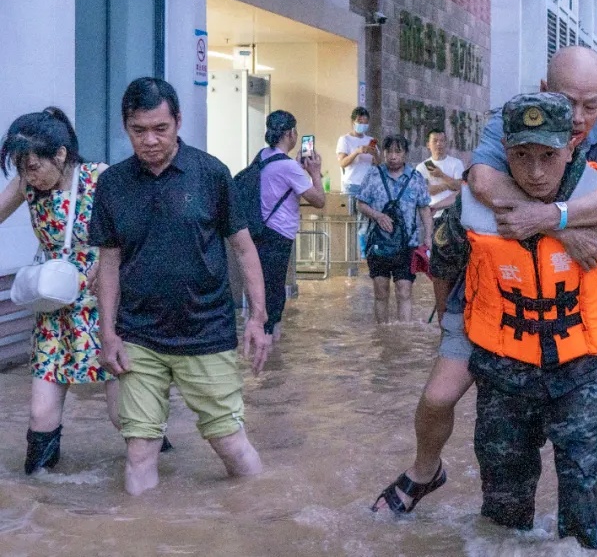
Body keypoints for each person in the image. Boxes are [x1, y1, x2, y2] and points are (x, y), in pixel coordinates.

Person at [372, 46, 597, 540]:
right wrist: (549, 227)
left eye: (590, 106)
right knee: (438, 397)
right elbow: (481, 182)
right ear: (544, 91)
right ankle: (426, 470)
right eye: (568, 102)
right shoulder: (507, 120)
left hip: (586, 283)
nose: (578, 118)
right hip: (496, 288)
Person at [457, 93, 597, 548]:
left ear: (571, 145)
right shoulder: (472, 204)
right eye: (522, 156)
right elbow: (444, 267)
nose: (535, 171)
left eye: (548, 156)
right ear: (504, 148)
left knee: (585, 511)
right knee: (502, 518)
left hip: (584, 367)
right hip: (503, 370)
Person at [89, 77, 273, 495]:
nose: (150, 140)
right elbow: (109, 262)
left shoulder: (211, 174)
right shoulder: (113, 185)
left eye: (160, 128)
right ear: (125, 127)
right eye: (139, 131)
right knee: (138, 452)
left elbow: (244, 250)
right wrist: (108, 334)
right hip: (139, 336)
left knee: (229, 443)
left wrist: (257, 320)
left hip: (206, 332)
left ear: (178, 122)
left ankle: (262, 519)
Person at [0, 108, 122, 474]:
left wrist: (106, 263)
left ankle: (159, 480)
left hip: (105, 307)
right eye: (22, 169)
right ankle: (39, 494)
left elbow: (133, 231)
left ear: (61, 155)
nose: (29, 176)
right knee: (40, 414)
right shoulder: (26, 185)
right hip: (56, 309)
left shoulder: (100, 178)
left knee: (125, 417)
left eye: (34, 167)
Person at [253, 111, 326, 341]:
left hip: (259, 230)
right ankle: (270, 344)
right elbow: (319, 201)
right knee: (275, 291)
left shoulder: (263, 156)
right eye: (295, 131)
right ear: (289, 134)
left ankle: (265, 342)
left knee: (264, 288)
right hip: (279, 234)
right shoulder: (288, 167)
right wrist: (315, 172)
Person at [353, 135, 433, 322]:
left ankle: (402, 338)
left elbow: (424, 208)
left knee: (404, 291)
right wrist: (378, 215)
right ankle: (383, 335)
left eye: (398, 152)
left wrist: (428, 237)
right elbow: (360, 204)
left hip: (407, 244)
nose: (393, 156)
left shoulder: (415, 178)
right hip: (378, 243)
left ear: (405, 154)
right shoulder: (373, 175)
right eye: (389, 151)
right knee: (380, 291)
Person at [416, 128, 464, 219]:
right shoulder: (422, 167)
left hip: (455, 213)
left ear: (446, 143)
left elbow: (461, 188)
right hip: (433, 214)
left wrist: (441, 175)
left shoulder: (456, 163)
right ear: (428, 145)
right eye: (435, 141)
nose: (439, 144)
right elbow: (425, 191)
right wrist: (449, 185)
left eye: (442, 141)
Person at [336, 106, 380, 202]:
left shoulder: (370, 140)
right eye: (360, 122)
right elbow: (342, 163)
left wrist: (375, 154)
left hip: (368, 184)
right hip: (351, 184)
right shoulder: (345, 139)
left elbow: (378, 164)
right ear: (353, 122)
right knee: (353, 215)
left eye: (365, 123)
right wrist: (356, 152)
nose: (363, 125)